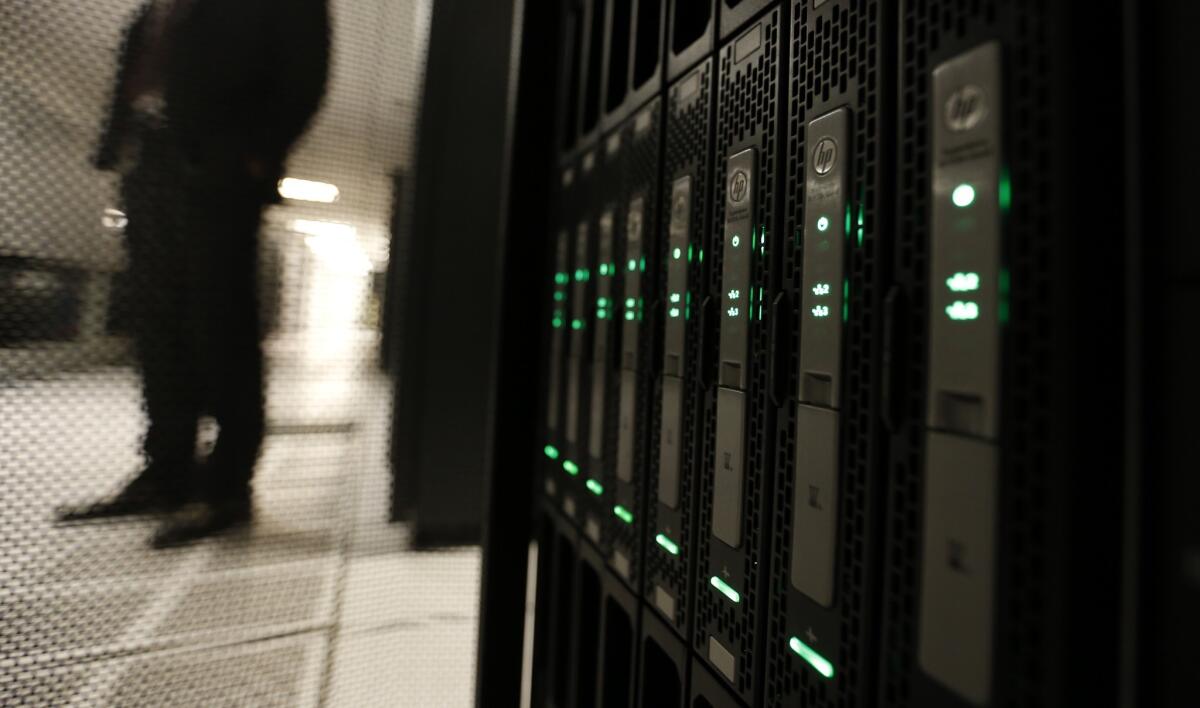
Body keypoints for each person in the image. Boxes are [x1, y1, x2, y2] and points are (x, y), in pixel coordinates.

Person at [56, 0, 330, 547]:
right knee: (158, 322)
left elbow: (304, 71)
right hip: (149, 161)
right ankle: (167, 471)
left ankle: (227, 486)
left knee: (220, 320)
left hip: (219, 167)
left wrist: (257, 153)